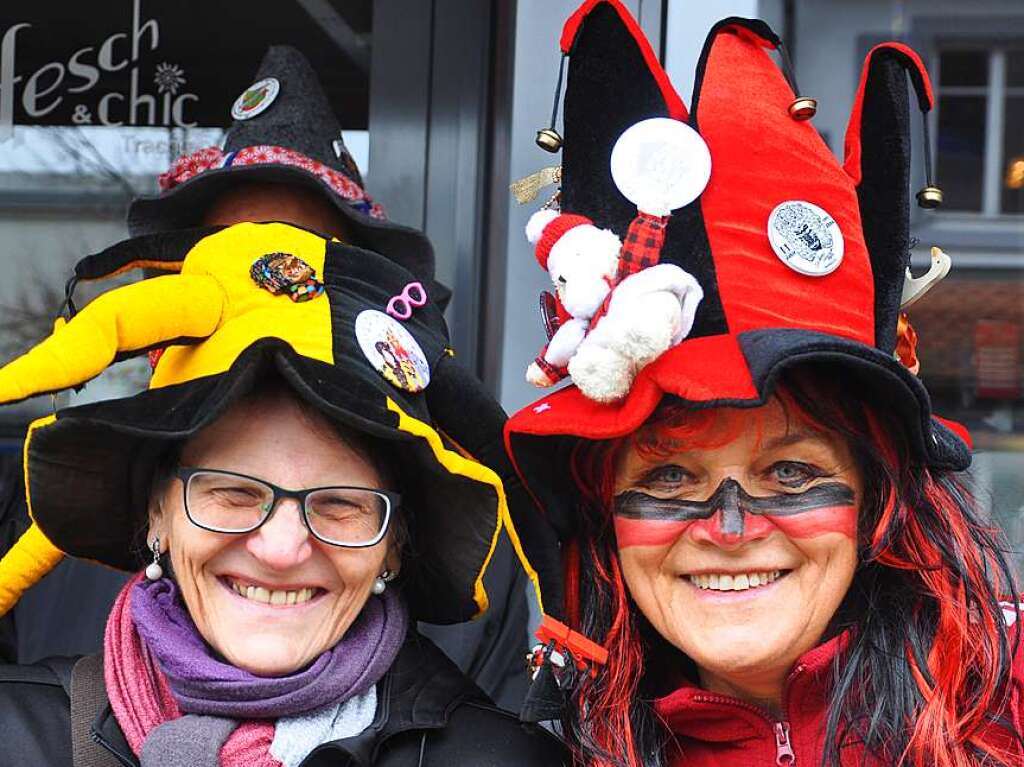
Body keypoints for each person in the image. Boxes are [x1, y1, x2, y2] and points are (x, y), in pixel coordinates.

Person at [502, 2, 1024, 765]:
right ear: (603, 508)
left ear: (875, 498)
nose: (731, 529)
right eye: (671, 474)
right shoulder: (551, 747)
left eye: (792, 470)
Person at [10, 44, 532, 711]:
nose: (280, 547)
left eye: (292, 274)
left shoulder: (481, 567)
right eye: (227, 272)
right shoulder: (32, 523)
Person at [0, 222, 564, 765]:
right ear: (158, 515)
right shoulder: (17, 734)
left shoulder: (502, 759)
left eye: (340, 504)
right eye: (234, 493)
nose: (281, 548)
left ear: (393, 545)